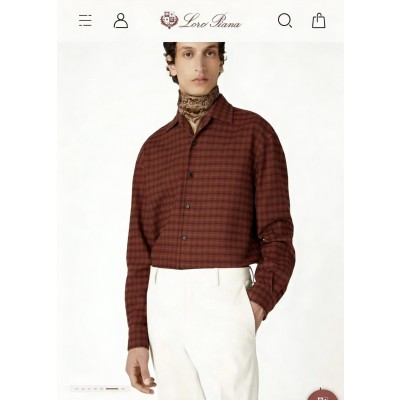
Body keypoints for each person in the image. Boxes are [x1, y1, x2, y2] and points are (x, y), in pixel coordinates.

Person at [124, 42, 296, 399]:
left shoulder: (254, 133)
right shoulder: (153, 149)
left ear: (221, 62)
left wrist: (255, 305)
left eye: (210, 53)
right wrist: (137, 337)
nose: (199, 65)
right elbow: (139, 252)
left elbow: (278, 235)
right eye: (187, 54)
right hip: (163, 302)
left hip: (226, 297)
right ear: (171, 64)